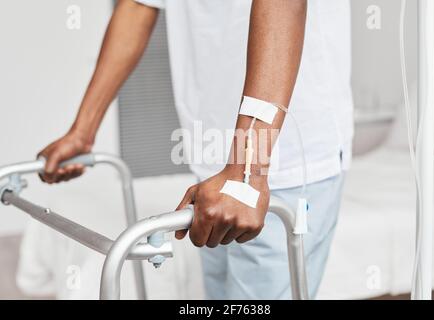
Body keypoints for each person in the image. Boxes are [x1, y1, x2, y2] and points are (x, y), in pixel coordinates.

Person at [37, 0, 353, 299]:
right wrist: (83, 130)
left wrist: (246, 172)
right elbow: (138, 6)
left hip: (280, 163)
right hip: (215, 169)